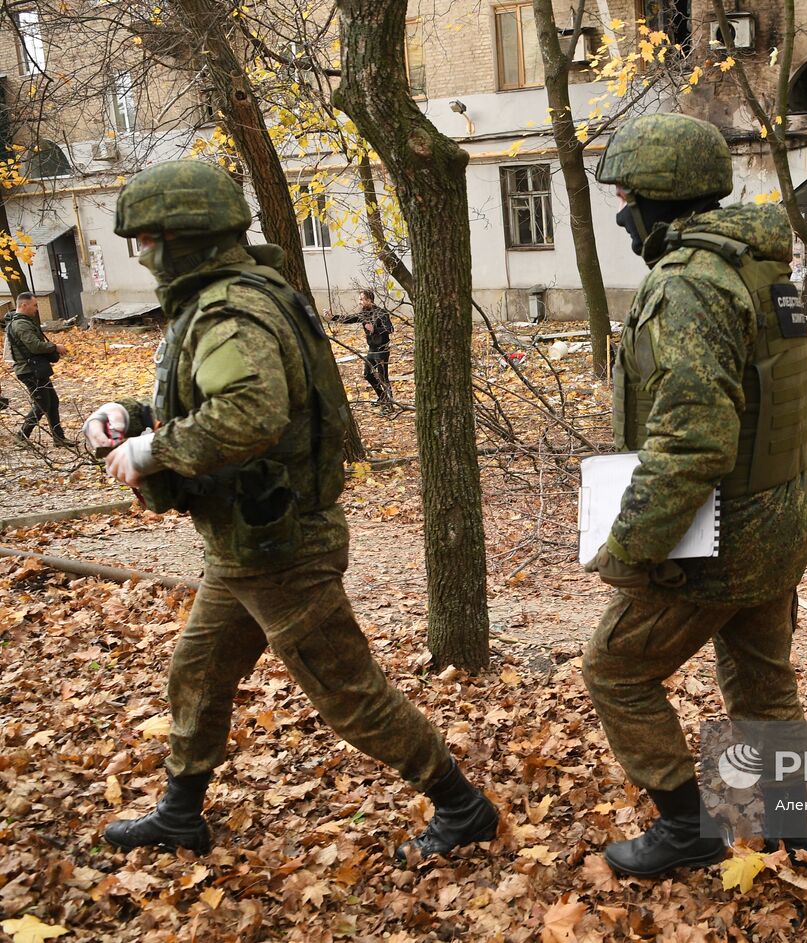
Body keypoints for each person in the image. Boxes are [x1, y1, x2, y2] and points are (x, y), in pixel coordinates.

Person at [85, 160, 496, 861]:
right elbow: (219, 396)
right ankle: (180, 811)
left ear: (183, 239)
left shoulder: (229, 310)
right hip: (247, 546)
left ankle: (463, 807)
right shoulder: (230, 298)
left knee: (350, 694)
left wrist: (154, 452)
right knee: (198, 671)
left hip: (281, 550)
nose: (144, 255)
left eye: (149, 240)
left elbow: (251, 411)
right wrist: (135, 413)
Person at [584, 113, 807, 878]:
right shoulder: (761, 267)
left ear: (659, 199)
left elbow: (694, 444)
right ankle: (791, 826)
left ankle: (687, 827)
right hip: (781, 518)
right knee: (760, 678)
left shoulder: (689, 285)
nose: (622, 212)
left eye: (627, 197)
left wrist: (627, 546)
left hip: (725, 534)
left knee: (615, 668)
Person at [5, 291, 74, 447]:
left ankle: (59, 438)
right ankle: (21, 436)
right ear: (24, 305)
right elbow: (35, 346)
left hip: (34, 369)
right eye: (35, 305)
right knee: (42, 404)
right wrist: (55, 347)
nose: (37, 309)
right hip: (29, 370)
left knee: (52, 402)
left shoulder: (23, 321)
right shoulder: (21, 324)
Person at [330, 289, 394, 410]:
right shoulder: (364, 314)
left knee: (383, 378)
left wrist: (375, 329)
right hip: (372, 349)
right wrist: (333, 317)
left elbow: (390, 329)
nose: (359, 302)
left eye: (361, 299)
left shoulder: (382, 313)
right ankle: (382, 397)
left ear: (369, 300)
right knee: (367, 374)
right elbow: (349, 319)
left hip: (382, 350)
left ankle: (389, 406)